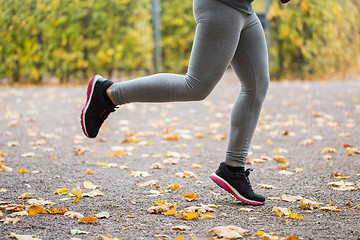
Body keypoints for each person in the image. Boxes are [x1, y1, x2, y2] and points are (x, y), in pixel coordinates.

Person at [80, 0, 291, 205]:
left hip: (244, 8)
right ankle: (107, 94)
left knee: (257, 85)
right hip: (222, 5)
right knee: (196, 85)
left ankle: (233, 169)